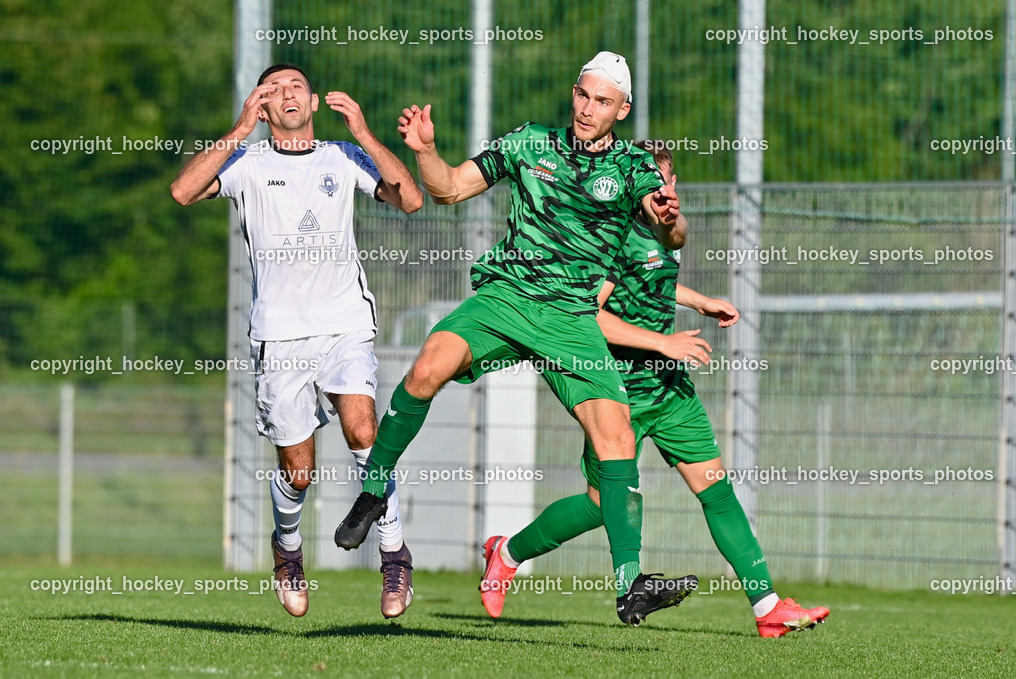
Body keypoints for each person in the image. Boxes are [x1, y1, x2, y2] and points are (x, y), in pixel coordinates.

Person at [334, 52, 696, 626]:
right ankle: (373, 490)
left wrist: (669, 217)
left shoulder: (633, 166)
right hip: (506, 298)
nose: (587, 108)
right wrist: (426, 151)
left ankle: (630, 586)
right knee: (426, 368)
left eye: (602, 101)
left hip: (571, 317)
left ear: (622, 110)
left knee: (617, 438)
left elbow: (670, 232)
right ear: (573, 92)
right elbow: (449, 189)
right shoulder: (530, 143)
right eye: (583, 95)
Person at [479, 140, 830, 638]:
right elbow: (589, 316)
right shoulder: (607, 234)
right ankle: (508, 552)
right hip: (616, 392)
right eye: (648, 184)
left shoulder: (662, 229)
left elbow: (652, 278)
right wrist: (664, 342)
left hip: (669, 391)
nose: (658, 193)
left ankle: (768, 608)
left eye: (664, 183)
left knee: (717, 490)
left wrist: (699, 302)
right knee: (600, 506)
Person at [170, 63, 423, 618]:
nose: (287, 94)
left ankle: (394, 554)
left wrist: (364, 133)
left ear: (312, 102)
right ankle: (287, 548)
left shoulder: (342, 155)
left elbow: (410, 200)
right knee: (298, 472)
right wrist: (239, 129)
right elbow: (183, 191)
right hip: (280, 338)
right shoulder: (246, 162)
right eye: (274, 89)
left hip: (344, 326)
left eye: (296, 87)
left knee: (365, 432)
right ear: (262, 106)